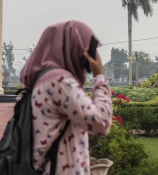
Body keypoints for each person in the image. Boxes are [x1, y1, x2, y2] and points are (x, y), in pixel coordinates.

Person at [19, 20, 113, 175]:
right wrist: (99, 76)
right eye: (86, 52)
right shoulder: (60, 81)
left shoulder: (42, 81)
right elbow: (101, 124)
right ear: (73, 48)